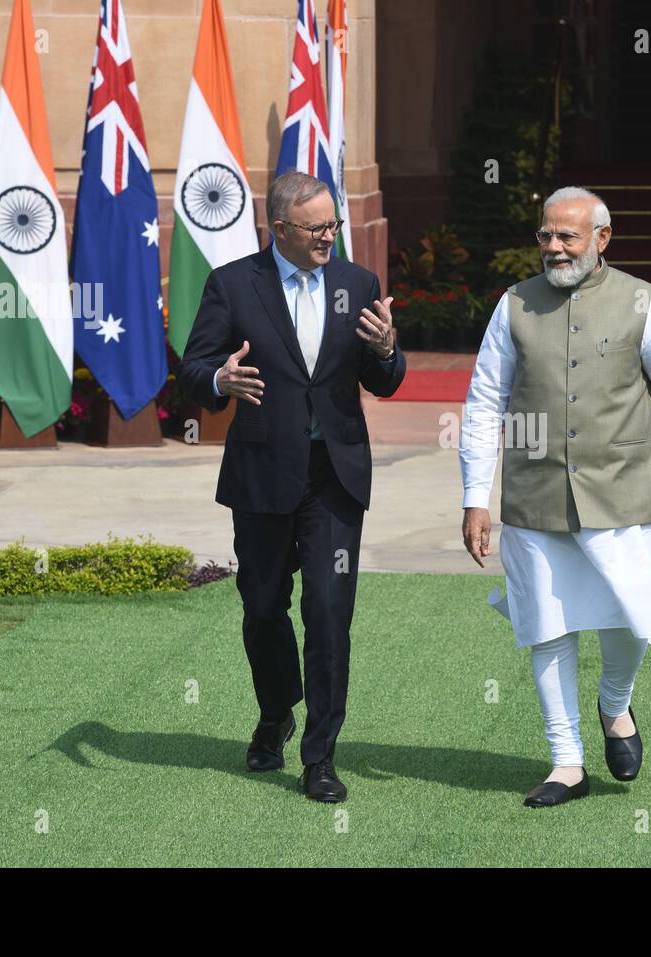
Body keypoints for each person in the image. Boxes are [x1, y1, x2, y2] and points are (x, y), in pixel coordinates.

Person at [459, 186, 651, 807]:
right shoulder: (514, 304)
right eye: (546, 235)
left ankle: (615, 704)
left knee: (631, 612)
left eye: (568, 236)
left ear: (602, 239)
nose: (554, 247)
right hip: (533, 496)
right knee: (546, 624)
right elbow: (485, 402)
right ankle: (566, 761)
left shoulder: (644, 302)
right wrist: (474, 496)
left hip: (622, 495)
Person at [178, 170, 405, 803]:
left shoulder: (357, 284)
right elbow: (192, 368)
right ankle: (276, 710)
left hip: (333, 478)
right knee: (262, 610)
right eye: (317, 228)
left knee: (329, 615)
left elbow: (383, 378)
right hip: (261, 478)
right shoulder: (233, 284)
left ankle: (320, 756)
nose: (330, 236)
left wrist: (388, 351)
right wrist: (219, 381)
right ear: (279, 229)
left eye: (334, 224)